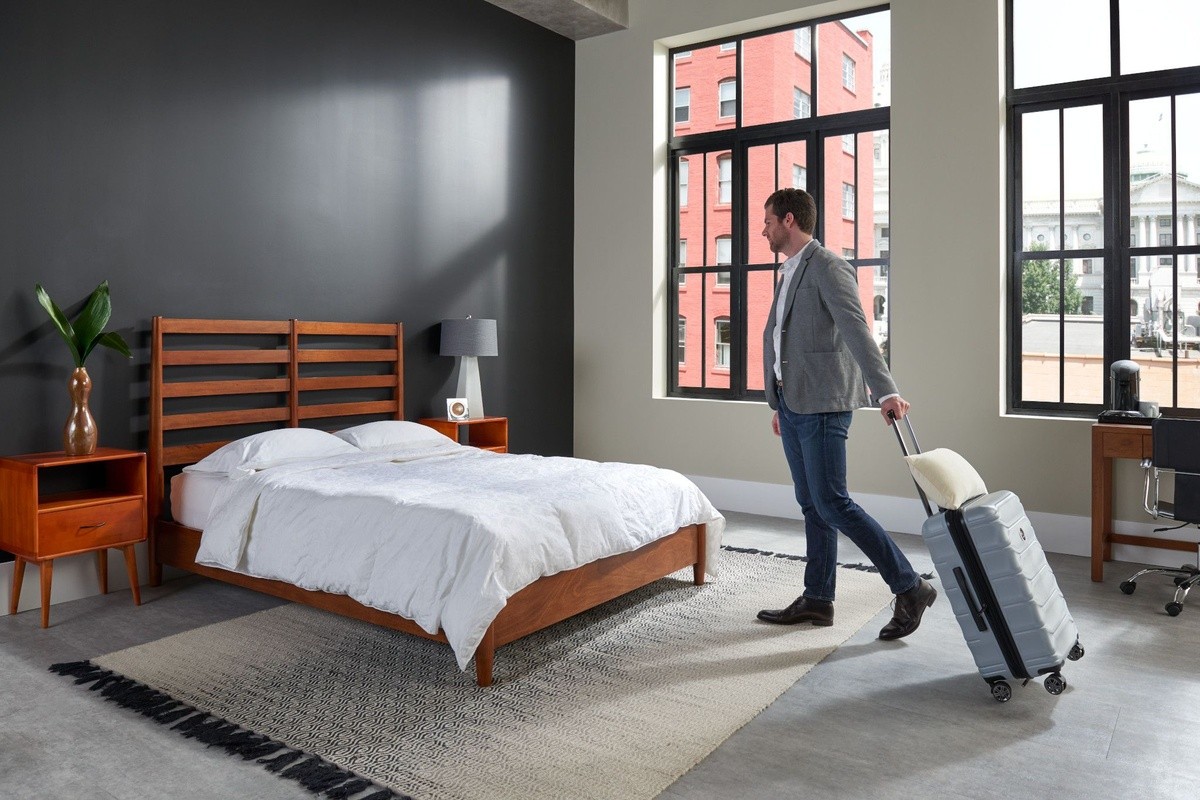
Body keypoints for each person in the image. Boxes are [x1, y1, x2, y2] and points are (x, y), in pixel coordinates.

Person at [756, 188, 935, 640]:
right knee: (812, 505)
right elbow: (783, 341)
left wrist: (886, 390)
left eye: (769, 222)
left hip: (823, 405)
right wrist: (780, 400)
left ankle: (910, 586)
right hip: (795, 403)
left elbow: (857, 331)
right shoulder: (790, 271)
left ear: (790, 220)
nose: (764, 230)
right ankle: (818, 599)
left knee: (833, 502)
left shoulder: (829, 267)